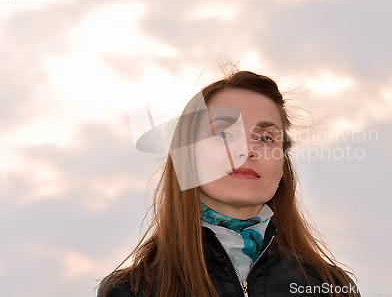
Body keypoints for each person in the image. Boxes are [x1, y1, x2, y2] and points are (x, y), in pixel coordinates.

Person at [97, 70, 360, 297]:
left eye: (266, 138)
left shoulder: (332, 288)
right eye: (224, 133)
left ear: (282, 166)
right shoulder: (130, 291)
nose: (246, 149)